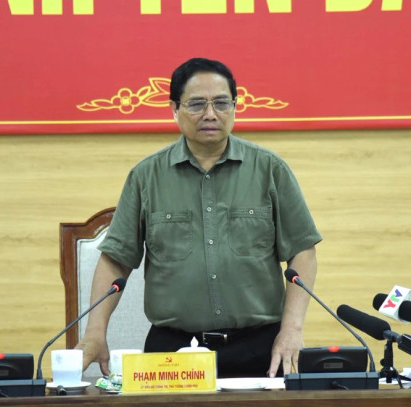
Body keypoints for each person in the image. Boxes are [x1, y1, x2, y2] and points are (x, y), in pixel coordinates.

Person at [76, 57, 322, 378]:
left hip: (260, 348)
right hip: (173, 351)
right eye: (196, 104)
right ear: (174, 109)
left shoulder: (269, 170)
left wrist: (292, 330)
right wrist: (95, 332)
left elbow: (302, 252)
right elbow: (116, 260)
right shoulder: (146, 176)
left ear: (235, 106)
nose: (210, 114)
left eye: (221, 103)